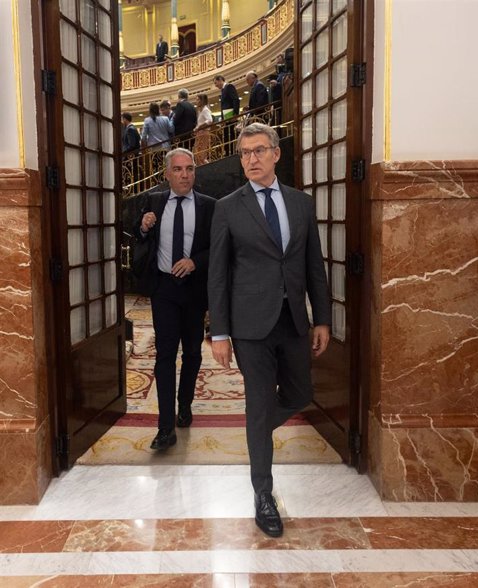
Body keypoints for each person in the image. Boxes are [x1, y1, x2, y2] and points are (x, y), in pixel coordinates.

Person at [208, 123, 331, 537]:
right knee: (260, 402)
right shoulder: (228, 207)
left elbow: (315, 266)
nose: (251, 159)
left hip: (293, 320)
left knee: (300, 394)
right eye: (244, 153)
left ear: (276, 153)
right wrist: (219, 332)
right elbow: (218, 276)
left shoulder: (301, 204)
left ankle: (256, 425)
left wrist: (324, 319)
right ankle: (263, 494)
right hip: (249, 326)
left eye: (259, 151)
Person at [134, 148, 215, 451]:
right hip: (164, 290)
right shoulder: (153, 202)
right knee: (165, 355)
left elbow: (217, 248)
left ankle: (185, 404)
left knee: (192, 353)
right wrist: (143, 227)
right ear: (166, 174)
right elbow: (138, 238)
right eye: (178, 169)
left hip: (194, 290)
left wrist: (195, 262)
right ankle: (165, 426)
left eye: (190, 169)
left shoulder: (209, 206)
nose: (184, 175)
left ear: (195, 172)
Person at [214, 75, 240, 155]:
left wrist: (235, 114)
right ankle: (228, 152)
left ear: (221, 80)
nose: (216, 85)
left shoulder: (229, 86)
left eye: (216, 83)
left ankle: (232, 153)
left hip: (231, 117)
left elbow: (235, 100)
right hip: (226, 118)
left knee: (231, 136)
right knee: (227, 137)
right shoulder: (223, 90)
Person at [121, 112, 141, 187]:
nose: (122, 121)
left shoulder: (130, 129)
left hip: (130, 156)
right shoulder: (131, 128)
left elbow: (131, 145)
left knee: (131, 174)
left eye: (122, 119)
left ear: (125, 119)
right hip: (131, 156)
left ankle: (132, 188)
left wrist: (123, 153)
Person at [193, 93, 213, 165]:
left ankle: (206, 169)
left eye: (198, 99)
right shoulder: (200, 110)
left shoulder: (205, 110)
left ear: (202, 101)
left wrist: (199, 127)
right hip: (200, 133)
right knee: (197, 154)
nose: (196, 101)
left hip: (204, 133)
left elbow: (209, 120)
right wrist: (197, 128)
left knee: (201, 154)